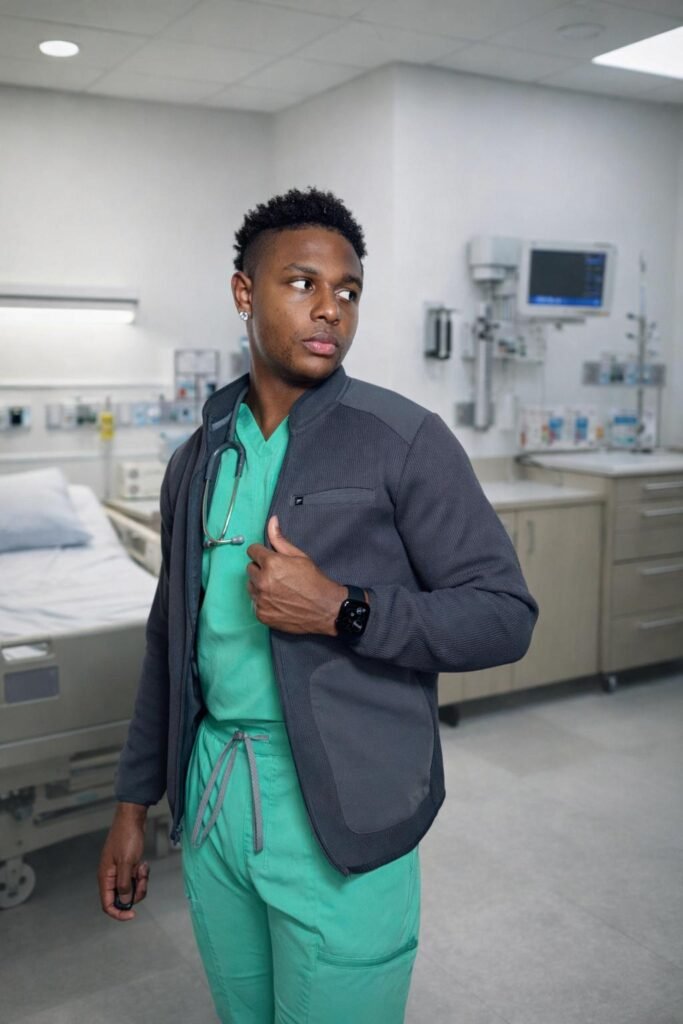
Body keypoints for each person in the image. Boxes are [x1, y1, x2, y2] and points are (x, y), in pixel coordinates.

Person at [98, 186, 538, 1023]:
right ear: (244, 293)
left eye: (347, 290)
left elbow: (503, 614)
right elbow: (168, 643)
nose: (329, 308)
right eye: (301, 283)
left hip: (342, 803)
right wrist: (133, 806)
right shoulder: (198, 458)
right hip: (216, 792)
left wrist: (346, 609)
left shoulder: (402, 439)